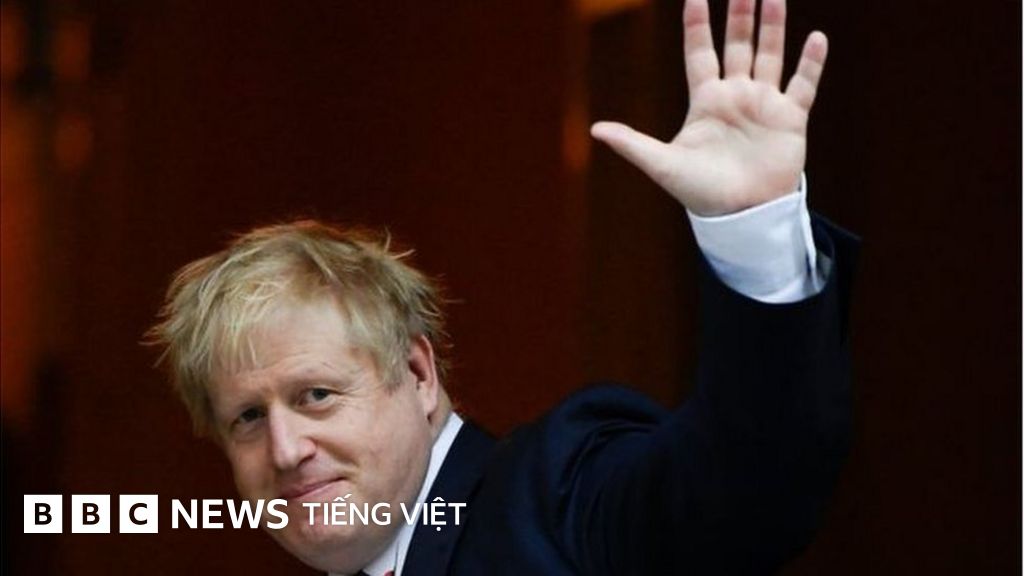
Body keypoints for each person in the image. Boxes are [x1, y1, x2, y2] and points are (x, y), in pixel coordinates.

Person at [147, 0, 858, 573]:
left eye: (317, 395)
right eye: (247, 417)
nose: (284, 449)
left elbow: (744, 493)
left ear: (418, 374)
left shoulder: (554, 496)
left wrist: (751, 232)